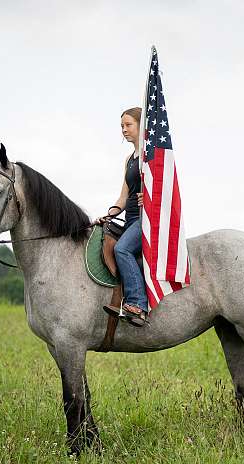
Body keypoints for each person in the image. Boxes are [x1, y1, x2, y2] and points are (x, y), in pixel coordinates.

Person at [97, 107, 148, 326]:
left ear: (140, 125)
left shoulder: (152, 154)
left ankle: (138, 305)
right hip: (129, 220)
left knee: (122, 249)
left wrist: (150, 199)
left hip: (147, 221)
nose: (124, 130)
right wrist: (109, 214)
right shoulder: (129, 159)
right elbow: (123, 198)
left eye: (128, 125)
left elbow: (166, 190)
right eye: (121, 126)